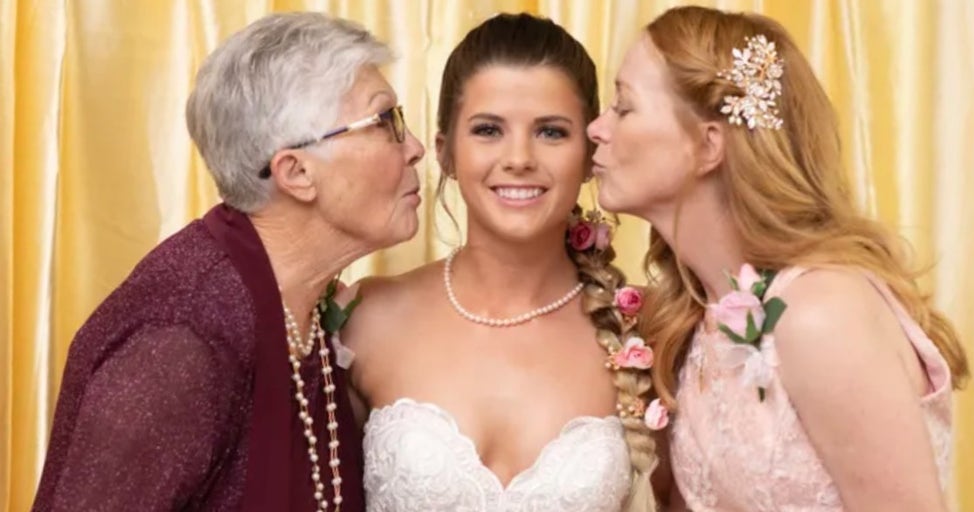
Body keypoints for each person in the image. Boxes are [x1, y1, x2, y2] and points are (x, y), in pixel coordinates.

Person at [32, 12, 424, 511]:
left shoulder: (303, 305)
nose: (414, 148)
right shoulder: (180, 347)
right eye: (386, 122)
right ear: (297, 172)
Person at [586, 5, 969, 511]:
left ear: (707, 146)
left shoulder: (820, 314)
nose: (596, 127)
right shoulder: (700, 320)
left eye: (624, 106)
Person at [337, 13, 659, 512]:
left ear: (590, 153)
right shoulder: (363, 318)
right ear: (445, 152)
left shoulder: (648, 332)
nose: (519, 158)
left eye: (551, 132)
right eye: (488, 130)